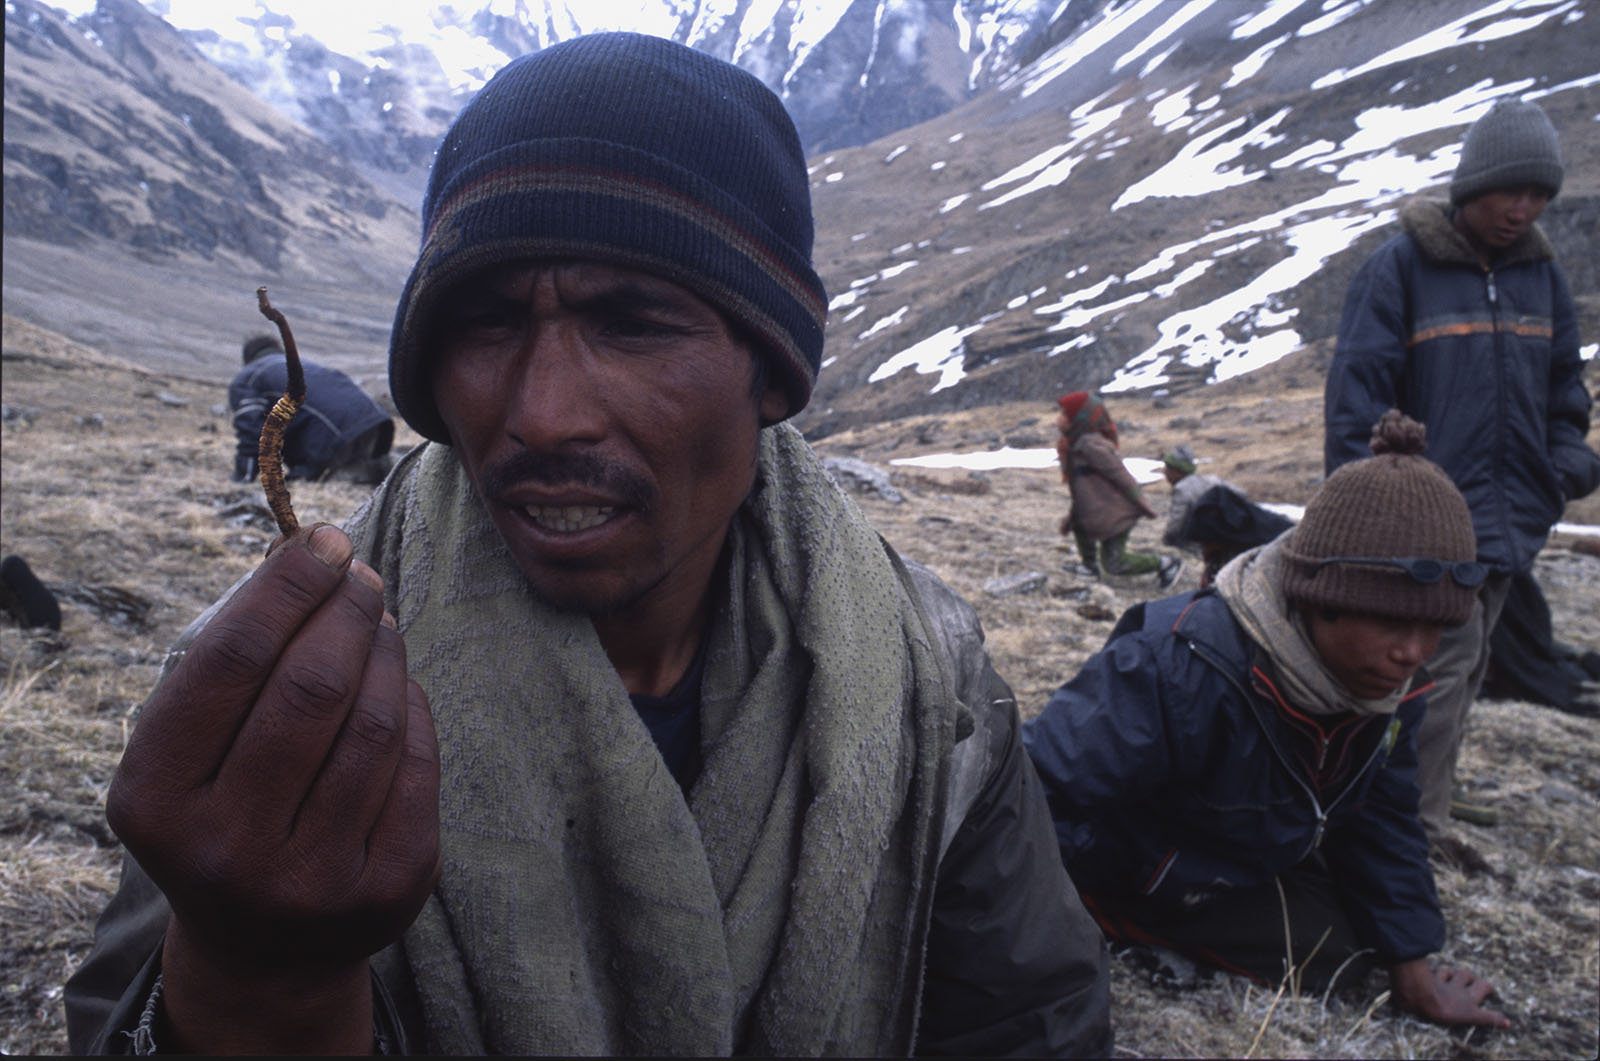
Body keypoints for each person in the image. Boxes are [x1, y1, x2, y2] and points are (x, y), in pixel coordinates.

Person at [65, 33, 1111, 1056]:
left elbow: (1031, 1022)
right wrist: (255, 986)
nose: (546, 412)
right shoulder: (286, 677)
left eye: (636, 322)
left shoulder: (930, 678)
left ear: (773, 373)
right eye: (482, 322)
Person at [1024, 411, 1511, 1030]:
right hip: (1139, 866)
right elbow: (1035, 791)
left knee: (1360, 950)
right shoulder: (1179, 663)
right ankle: (1109, 912)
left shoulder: (1387, 688)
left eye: (1436, 628)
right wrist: (1112, 889)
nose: (1413, 653)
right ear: (1320, 599)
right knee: (1331, 954)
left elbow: (1383, 817)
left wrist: (1413, 971)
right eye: (1391, 622)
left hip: (1249, 847)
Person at [1324, 97, 1600, 837]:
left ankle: (1423, 797)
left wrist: (1564, 467)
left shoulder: (1540, 279)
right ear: (1472, 184)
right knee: (1426, 677)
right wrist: (1370, 519)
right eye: (1511, 190)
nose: (1524, 208)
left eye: (1539, 195)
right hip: (1425, 535)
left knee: (1470, 670)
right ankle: (1409, 826)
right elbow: (1356, 406)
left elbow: (1564, 391)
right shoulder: (1400, 270)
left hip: (1513, 522)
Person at [228, 333, 396, 486]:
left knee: (306, 485)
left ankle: (374, 475)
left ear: (248, 359)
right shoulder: (302, 365)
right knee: (366, 478)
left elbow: (252, 430)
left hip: (333, 436)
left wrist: (243, 478)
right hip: (376, 423)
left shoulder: (249, 377)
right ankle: (392, 471)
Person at [1055, 391, 1180, 586]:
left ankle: (1166, 563)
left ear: (1079, 420)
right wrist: (1072, 515)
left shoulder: (1090, 445)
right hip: (1095, 510)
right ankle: (1089, 567)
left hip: (1116, 513)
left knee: (1114, 564)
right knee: (1080, 524)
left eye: (1064, 415)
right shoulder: (1072, 445)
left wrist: (1140, 502)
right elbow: (1080, 488)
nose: (1058, 419)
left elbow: (1118, 473)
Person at [1159, 444, 1291, 588]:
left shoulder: (1182, 489)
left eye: (1167, 469)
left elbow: (1176, 523)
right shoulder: (1212, 480)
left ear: (1177, 471)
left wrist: (1168, 540)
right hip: (1233, 533)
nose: (1164, 473)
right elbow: (1240, 494)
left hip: (1215, 538)